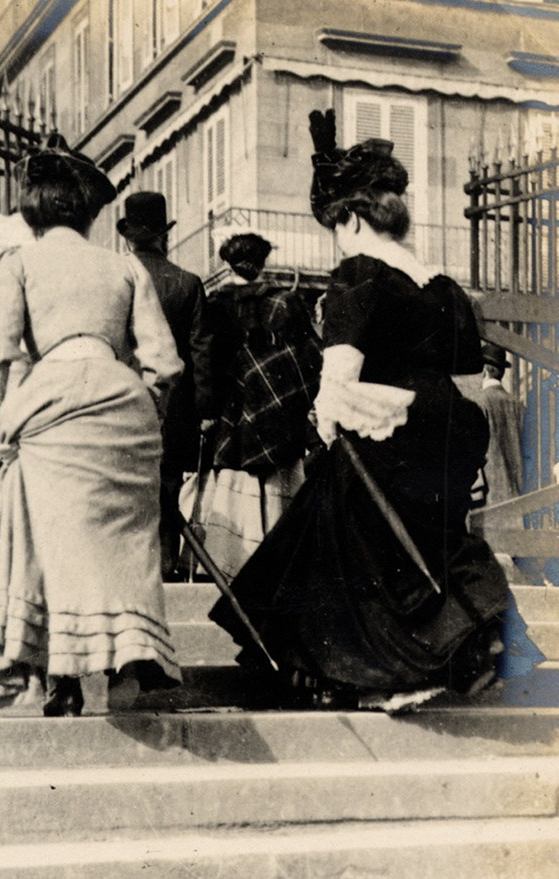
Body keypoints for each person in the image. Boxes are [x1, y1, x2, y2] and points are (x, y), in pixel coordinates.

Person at [211, 110, 516, 712]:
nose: (336, 239)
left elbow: (341, 370)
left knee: (353, 542)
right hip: (446, 426)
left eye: (335, 227)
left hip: (386, 425)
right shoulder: (441, 283)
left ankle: (382, 671)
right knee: (426, 542)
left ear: (350, 218)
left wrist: (323, 426)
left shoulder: (359, 274)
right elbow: (464, 370)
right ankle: (464, 641)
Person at [0, 133, 184, 716]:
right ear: (89, 211)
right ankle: (132, 647)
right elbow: (163, 363)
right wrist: (144, 411)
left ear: (32, 206)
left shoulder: (19, 262)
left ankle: (56, 671)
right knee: (118, 542)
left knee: (51, 540)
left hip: (54, 399)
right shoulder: (125, 265)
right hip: (123, 402)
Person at [198, 232, 322, 580]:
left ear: (228, 263)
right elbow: (312, 361)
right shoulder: (286, 303)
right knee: (281, 492)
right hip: (280, 416)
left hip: (232, 417)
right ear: (263, 262)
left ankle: (235, 561)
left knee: (238, 490)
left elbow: (205, 363)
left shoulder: (214, 305)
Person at [117, 192, 217, 580]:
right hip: (175, 401)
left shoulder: (117, 275)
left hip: (123, 397)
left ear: (129, 237)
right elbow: (201, 351)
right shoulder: (188, 283)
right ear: (164, 235)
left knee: (125, 485)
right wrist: (206, 408)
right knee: (169, 482)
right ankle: (165, 562)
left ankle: (128, 568)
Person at [475, 342, 525, 506]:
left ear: (484, 370)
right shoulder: (518, 405)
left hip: (490, 498)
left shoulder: (479, 403)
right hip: (520, 496)